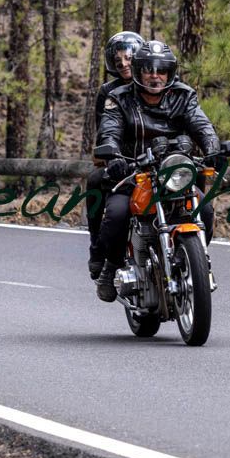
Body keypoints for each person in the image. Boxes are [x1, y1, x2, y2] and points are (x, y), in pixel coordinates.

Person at [92, 40, 220, 303]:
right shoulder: (119, 98)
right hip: (134, 170)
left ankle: (196, 262)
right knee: (116, 214)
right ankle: (111, 267)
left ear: (170, 73)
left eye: (161, 70)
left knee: (204, 210)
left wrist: (213, 148)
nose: (155, 75)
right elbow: (110, 130)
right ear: (138, 72)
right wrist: (113, 155)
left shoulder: (184, 95)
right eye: (149, 69)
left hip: (174, 171)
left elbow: (202, 124)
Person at [87, 31, 145, 279]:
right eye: (118, 60)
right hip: (122, 159)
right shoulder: (108, 92)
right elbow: (105, 130)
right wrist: (114, 155)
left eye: (128, 58)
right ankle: (97, 246)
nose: (123, 64)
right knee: (94, 181)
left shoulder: (156, 83)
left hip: (155, 159)